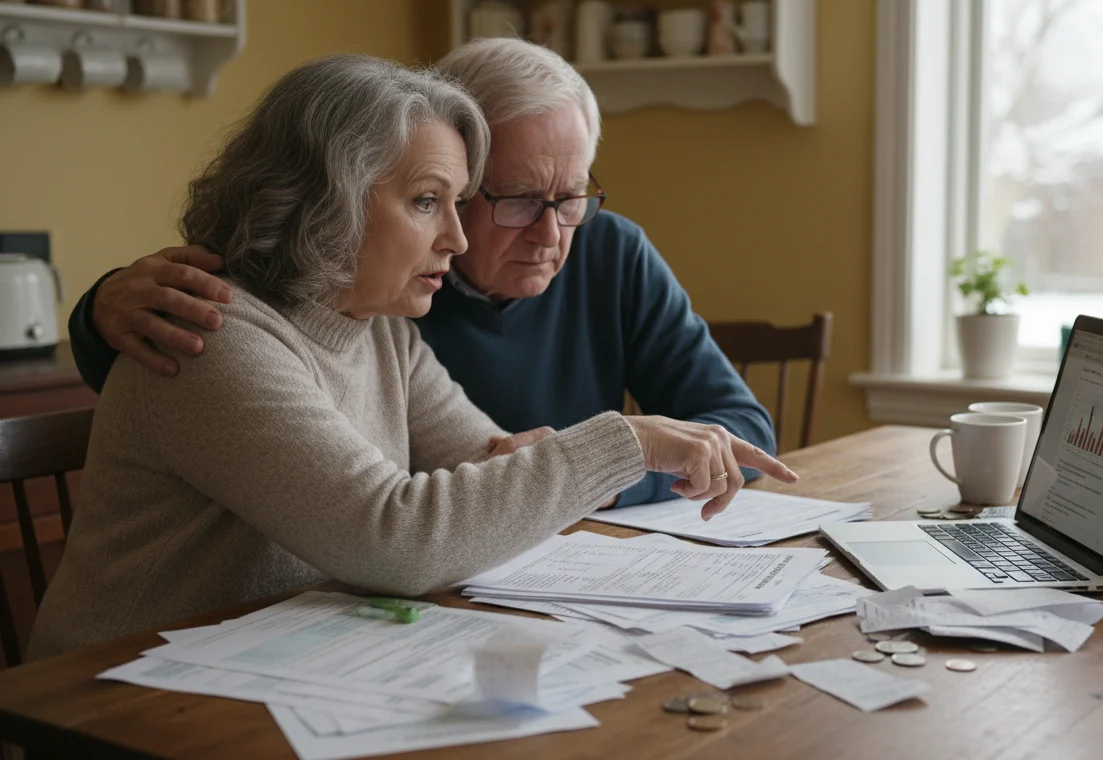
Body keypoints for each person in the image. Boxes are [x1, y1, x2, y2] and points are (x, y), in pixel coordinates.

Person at [27, 55, 794, 660]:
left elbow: (491, 455)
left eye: (456, 203)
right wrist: (620, 443)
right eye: (430, 202)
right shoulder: (215, 336)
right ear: (325, 197)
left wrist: (540, 460)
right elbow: (394, 537)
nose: (456, 240)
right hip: (118, 698)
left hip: (277, 663)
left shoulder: (380, 328)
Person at [65, 38, 774, 509]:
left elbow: (741, 430)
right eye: (520, 199)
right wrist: (99, 310)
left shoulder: (608, 250)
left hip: (477, 567)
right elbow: (215, 360)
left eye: (573, 198)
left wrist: (598, 481)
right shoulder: (366, 293)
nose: (553, 233)